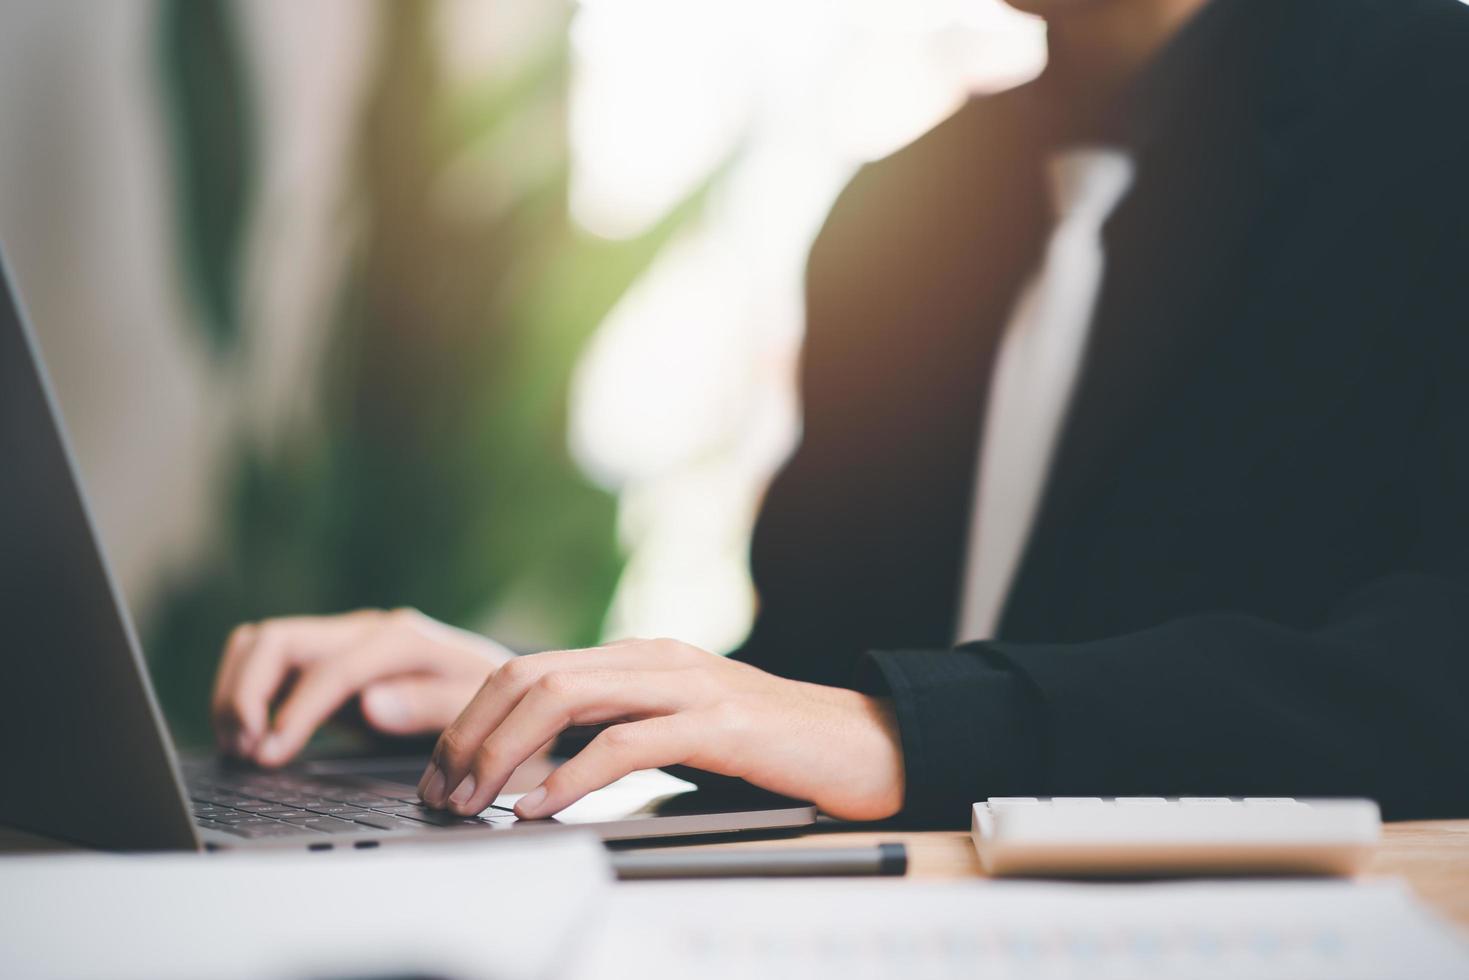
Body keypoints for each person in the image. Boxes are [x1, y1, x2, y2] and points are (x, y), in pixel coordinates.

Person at [211, 0, 1469, 826]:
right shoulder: (901, 207)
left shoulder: (1432, 123)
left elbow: (1429, 685)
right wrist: (547, 705)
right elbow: (828, 682)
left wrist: (907, 734)